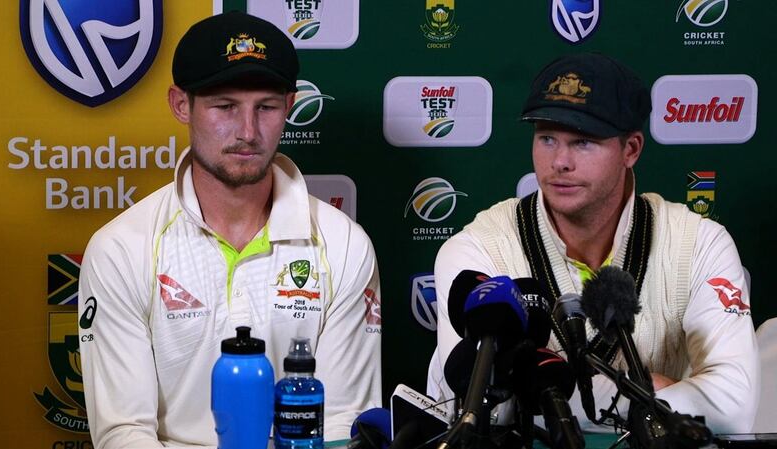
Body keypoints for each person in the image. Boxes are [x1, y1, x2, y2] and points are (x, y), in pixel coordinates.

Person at [77, 11, 382, 448]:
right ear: (181, 105)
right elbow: (124, 432)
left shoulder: (344, 244)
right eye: (225, 107)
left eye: (267, 107)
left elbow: (340, 426)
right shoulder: (121, 248)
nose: (248, 131)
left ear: (290, 106)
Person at [427, 53, 759, 434]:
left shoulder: (699, 244)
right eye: (547, 138)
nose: (560, 162)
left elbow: (734, 409)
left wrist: (540, 391)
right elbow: (486, 408)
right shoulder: (478, 248)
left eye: (583, 142)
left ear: (631, 149)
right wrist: (650, 394)